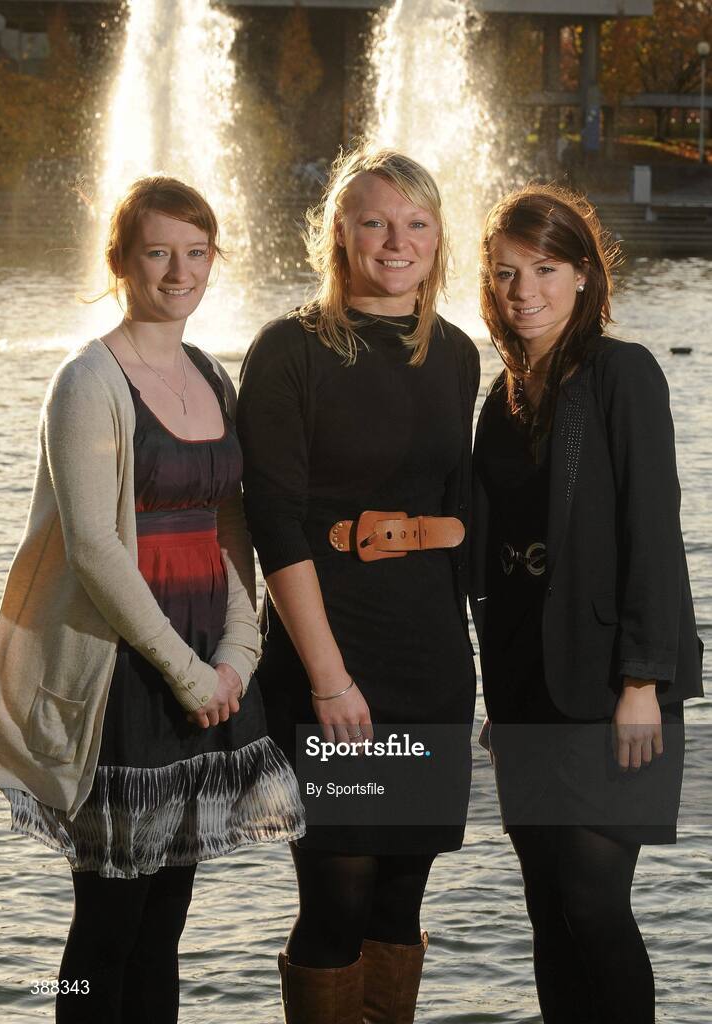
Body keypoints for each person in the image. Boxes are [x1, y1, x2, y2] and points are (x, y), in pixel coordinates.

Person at [0, 176, 304, 1024]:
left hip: (208, 660)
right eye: (158, 252)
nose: (178, 272)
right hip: (126, 668)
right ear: (120, 260)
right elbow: (93, 546)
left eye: (196, 254)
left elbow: (233, 520)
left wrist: (239, 650)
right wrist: (187, 673)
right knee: (107, 925)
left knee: (167, 923)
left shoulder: (210, 374)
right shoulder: (87, 381)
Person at [236, 145, 480, 1023]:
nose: (395, 240)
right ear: (338, 232)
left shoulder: (455, 354)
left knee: (401, 903)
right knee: (337, 901)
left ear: (438, 235)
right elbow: (275, 524)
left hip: (430, 663)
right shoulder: (289, 350)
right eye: (373, 220)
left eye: (415, 222)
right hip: (334, 660)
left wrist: (482, 670)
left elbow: (458, 521)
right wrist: (329, 680)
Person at [470, 183, 703, 1024]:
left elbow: (653, 530)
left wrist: (643, 679)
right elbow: (496, 566)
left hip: (614, 690)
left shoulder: (622, 372)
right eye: (505, 273)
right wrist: (496, 701)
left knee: (595, 903)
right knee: (547, 907)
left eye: (545, 268)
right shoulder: (500, 402)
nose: (523, 290)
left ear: (582, 276)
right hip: (528, 691)